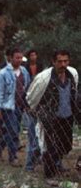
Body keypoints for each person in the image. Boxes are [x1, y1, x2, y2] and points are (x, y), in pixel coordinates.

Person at [26, 50, 79, 179]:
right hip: (50, 117)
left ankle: (56, 164)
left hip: (67, 116)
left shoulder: (72, 74)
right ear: (53, 62)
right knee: (50, 147)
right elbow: (32, 95)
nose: (63, 64)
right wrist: (35, 110)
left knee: (65, 145)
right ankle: (49, 174)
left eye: (65, 61)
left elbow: (75, 92)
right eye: (60, 61)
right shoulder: (45, 78)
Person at [0, 48, 31, 167]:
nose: (19, 60)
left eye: (21, 58)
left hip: (20, 106)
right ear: (10, 58)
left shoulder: (24, 72)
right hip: (8, 106)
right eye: (16, 58)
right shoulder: (3, 73)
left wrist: (28, 104)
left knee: (12, 131)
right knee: (13, 131)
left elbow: (27, 88)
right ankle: (12, 157)